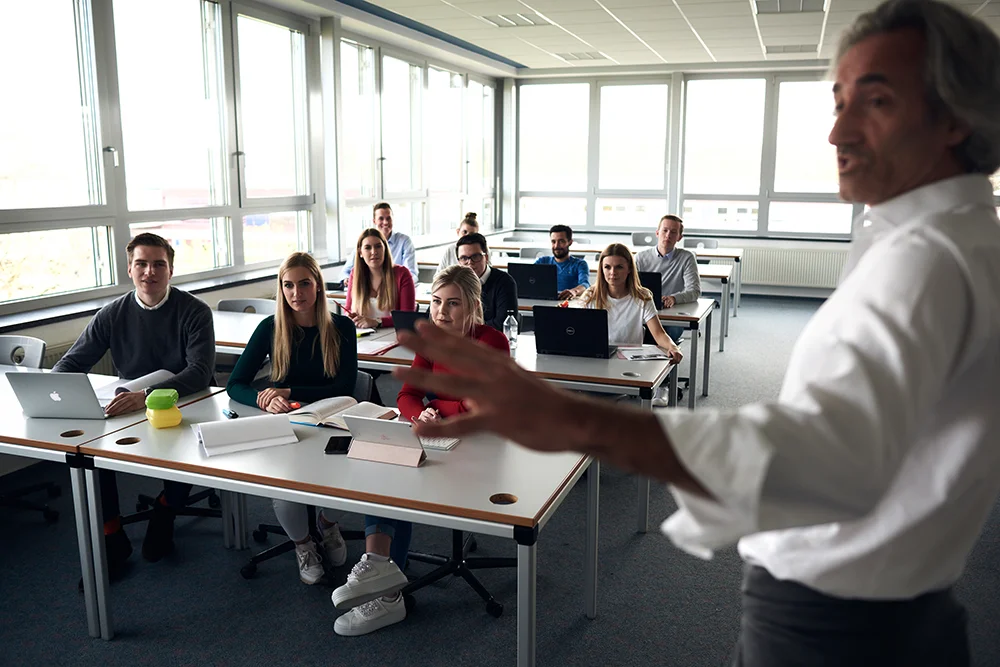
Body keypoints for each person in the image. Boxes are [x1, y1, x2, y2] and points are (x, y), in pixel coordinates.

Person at [392, 2, 1000, 664]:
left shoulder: (927, 259)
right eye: (837, 100)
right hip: (888, 609)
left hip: (839, 625)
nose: (836, 132)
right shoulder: (944, 240)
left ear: (955, 119)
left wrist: (572, 420)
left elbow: (829, 457)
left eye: (874, 100)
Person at [331, 266, 508, 637]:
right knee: (385, 468)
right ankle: (381, 573)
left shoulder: (491, 342)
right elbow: (407, 395)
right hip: (438, 437)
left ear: (473, 305)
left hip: (482, 446)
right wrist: (421, 412)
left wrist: (437, 409)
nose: (441, 312)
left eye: (453, 304)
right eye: (437, 302)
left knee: (406, 478)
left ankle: (387, 590)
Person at [53, 233, 215, 579]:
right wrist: (53, 389)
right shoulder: (112, 313)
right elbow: (69, 364)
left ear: (171, 270)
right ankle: (113, 537)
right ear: (130, 268)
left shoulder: (194, 312)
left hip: (183, 403)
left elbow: (199, 373)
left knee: (187, 450)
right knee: (89, 451)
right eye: (141, 263)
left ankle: (165, 509)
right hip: (128, 406)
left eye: (159, 264)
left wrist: (146, 395)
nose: (149, 272)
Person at [226, 252, 357, 585]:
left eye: (304, 284)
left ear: (318, 285)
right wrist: (262, 398)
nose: (296, 293)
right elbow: (234, 384)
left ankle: (327, 525)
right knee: (283, 489)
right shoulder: (270, 327)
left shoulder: (341, 326)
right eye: (288, 285)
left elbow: (343, 386)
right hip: (286, 425)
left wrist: (287, 390)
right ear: (280, 289)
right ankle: (303, 544)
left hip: (332, 421)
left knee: (353, 478)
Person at [634, 215, 701, 405]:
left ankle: (663, 385)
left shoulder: (686, 258)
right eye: (664, 230)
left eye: (673, 232)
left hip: (671, 317)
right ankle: (641, 379)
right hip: (645, 312)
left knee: (664, 336)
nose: (668, 235)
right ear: (657, 232)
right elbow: (632, 287)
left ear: (679, 237)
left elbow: (694, 291)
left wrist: (674, 298)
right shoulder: (641, 257)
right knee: (635, 333)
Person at [579, 244, 682, 366]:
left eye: (619, 267)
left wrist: (673, 347)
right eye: (607, 267)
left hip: (630, 360)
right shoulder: (589, 296)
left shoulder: (643, 296)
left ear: (629, 269)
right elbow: (579, 334)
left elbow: (659, 334)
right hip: (598, 359)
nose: (612, 272)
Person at [344, 228, 416, 330]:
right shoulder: (355, 274)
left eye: (378, 246)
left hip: (394, 337)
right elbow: (347, 309)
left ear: (385, 249)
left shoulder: (402, 274)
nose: (374, 252)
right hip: (365, 337)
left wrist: (377, 322)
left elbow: (407, 317)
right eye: (368, 248)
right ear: (360, 253)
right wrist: (349, 316)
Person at [341, 202, 418, 283]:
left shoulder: (404, 241)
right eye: (381, 219)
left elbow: (411, 274)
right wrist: (347, 279)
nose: (385, 222)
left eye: (388, 218)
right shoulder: (366, 241)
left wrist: (400, 285)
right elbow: (345, 272)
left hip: (396, 289)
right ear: (374, 221)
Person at [456, 232, 518, 332]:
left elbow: (503, 323)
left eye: (475, 256)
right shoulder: (454, 281)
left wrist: (464, 328)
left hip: (490, 343)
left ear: (486, 257)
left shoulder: (505, 282)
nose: (470, 262)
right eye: (464, 258)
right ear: (459, 261)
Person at [533, 224, 590, 299]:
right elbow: (529, 278)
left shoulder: (580, 264)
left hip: (568, 303)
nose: (556, 246)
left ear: (570, 242)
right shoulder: (542, 261)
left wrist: (574, 291)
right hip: (544, 302)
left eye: (561, 241)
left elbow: (585, 284)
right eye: (553, 242)